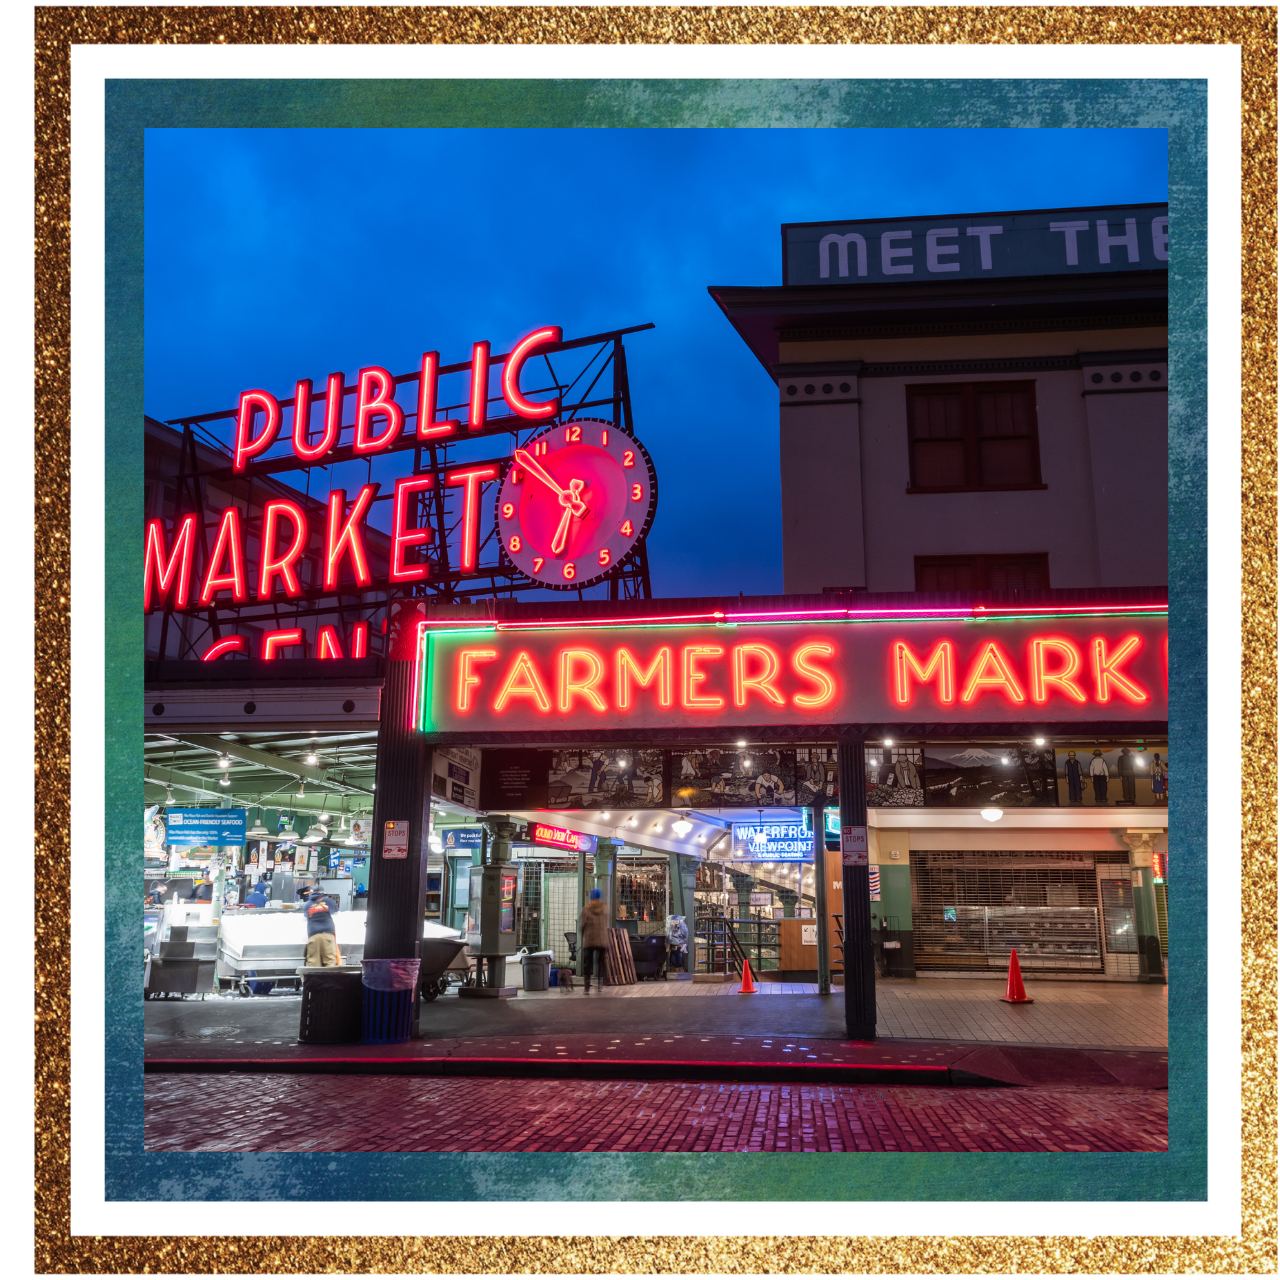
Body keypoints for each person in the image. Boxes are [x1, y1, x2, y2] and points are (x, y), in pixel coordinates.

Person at [577, 888, 609, 993]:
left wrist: (582, 938)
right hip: (602, 940)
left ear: (591, 898)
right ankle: (599, 984)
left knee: (588, 963)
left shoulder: (586, 909)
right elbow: (606, 924)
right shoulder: (605, 909)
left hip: (589, 940)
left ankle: (587, 987)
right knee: (599, 962)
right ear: (599, 897)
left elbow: (582, 926)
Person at [302, 887, 340, 966]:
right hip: (327, 934)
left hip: (313, 935)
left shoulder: (307, 904)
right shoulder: (329, 901)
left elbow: (306, 916)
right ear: (323, 893)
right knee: (329, 961)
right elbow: (335, 911)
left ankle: (313, 978)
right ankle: (329, 978)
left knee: (313, 962)